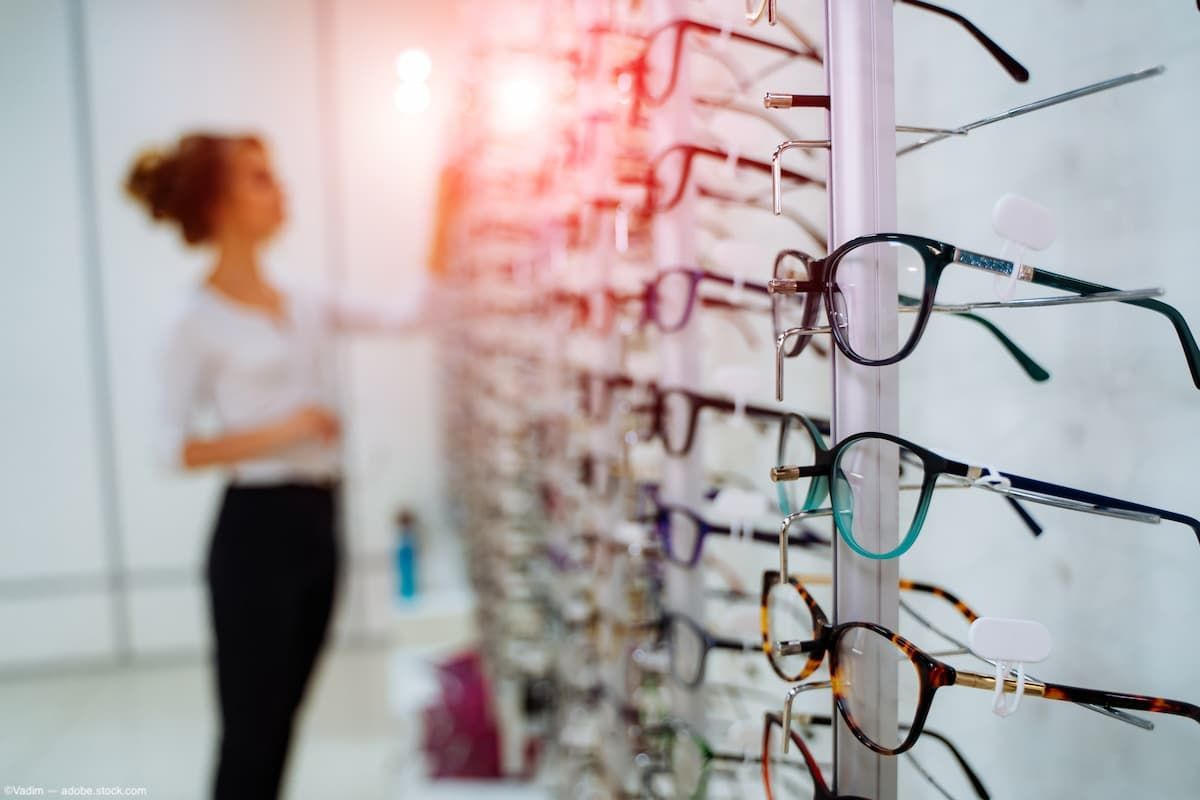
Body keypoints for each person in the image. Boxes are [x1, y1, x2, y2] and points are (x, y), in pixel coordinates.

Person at [125, 132, 426, 799]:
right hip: (254, 532)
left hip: (319, 521)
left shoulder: (303, 298)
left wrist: (449, 204)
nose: (280, 189)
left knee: (284, 717)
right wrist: (286, 428)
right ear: (221, 202)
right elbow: (169, 448)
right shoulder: (193, 320)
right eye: (260, 178)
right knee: (251, 731)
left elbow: (409, 314)